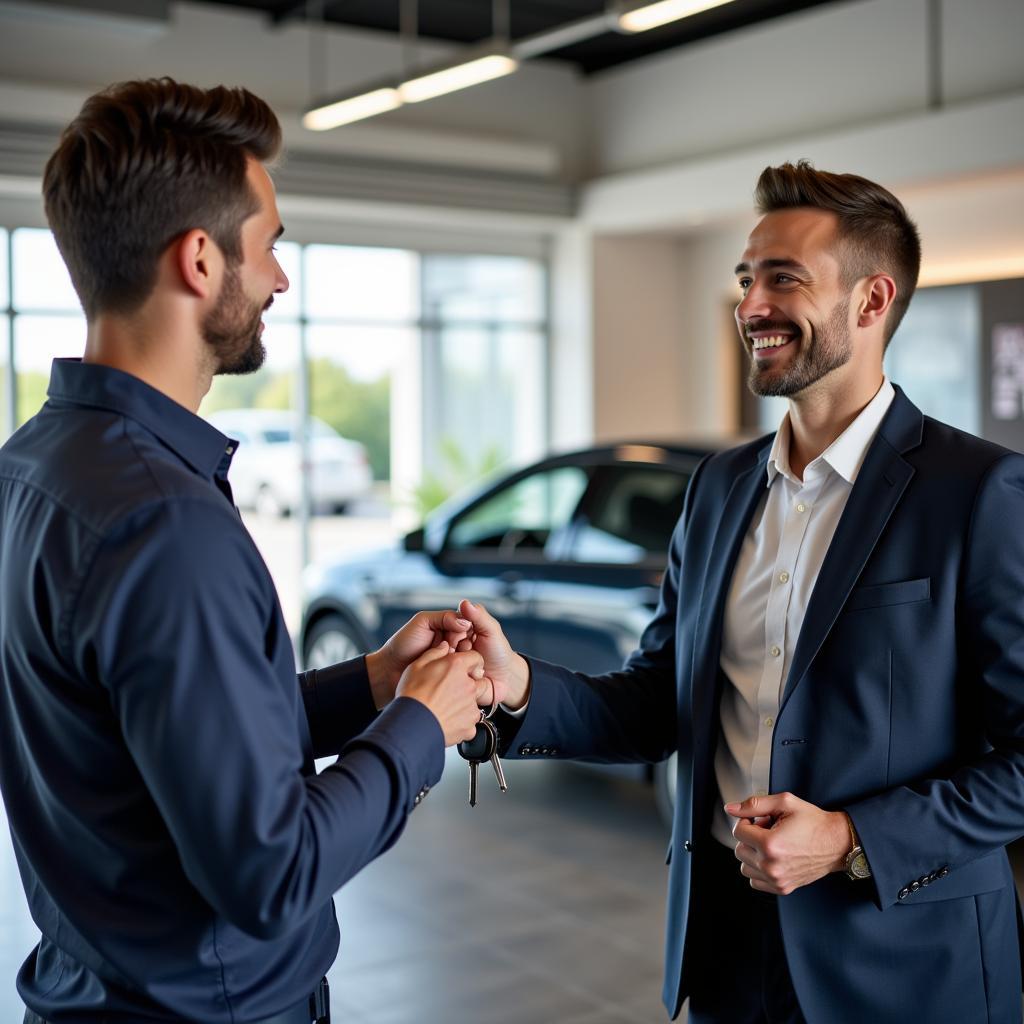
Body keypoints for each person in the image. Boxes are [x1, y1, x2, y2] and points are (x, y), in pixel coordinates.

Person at [453, 161, 1024, 1023]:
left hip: (904, 961)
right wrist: (519, 686)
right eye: (746, 279)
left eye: (784, 279)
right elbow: (657, 704)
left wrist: (850, 840)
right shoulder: (718, 490)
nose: (751, 306)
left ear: (872, 303)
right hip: (724, 946)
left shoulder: (980, 492)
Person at [0, 78, 491, 1024]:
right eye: (268, 246)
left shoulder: (33, 467)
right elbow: (272, 872)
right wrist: (421, 728)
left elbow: (179, 739)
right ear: (197, 259)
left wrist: (376, 686)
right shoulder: (162, 522)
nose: (278, 278)